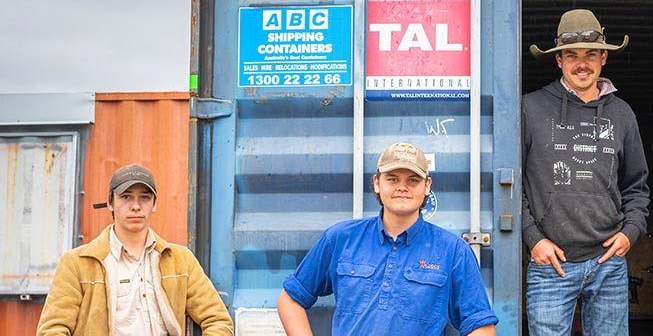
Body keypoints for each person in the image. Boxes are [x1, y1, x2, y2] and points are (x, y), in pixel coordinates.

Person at [277, 142, 498, 336]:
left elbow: (481, 326)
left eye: (412, 180)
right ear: (376, 182)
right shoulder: (340, 238)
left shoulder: (453, 251)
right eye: (392, 179)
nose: (402, 187)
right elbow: (290, 299)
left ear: (427, 186)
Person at [522, 9, 650, 336]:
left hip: (608, 263)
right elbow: (511, 184)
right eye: (572, 55)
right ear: (559, 60)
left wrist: (630, 232)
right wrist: (533, 239)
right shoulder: (531, 108)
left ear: (604, 58)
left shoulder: (622, 114)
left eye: (591, 54)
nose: (582, 63)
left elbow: (637, 185)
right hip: (551, 264)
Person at [36, 163, 234, 336]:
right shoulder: (77, 263)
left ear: (154, 204)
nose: (136, 206)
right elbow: (52, 330)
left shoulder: (181, 260)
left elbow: (218, 320)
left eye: (145, 198)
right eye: (126, 197)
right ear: (110, 203)